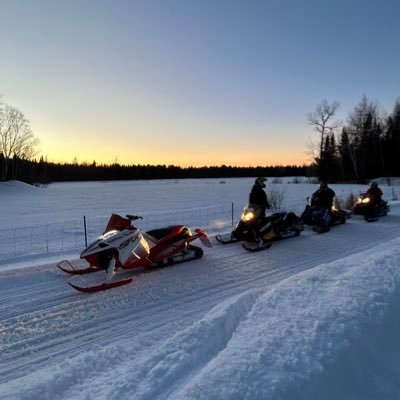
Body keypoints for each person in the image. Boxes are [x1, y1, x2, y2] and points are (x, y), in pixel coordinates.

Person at [248, 177, 271, 245]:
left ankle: (262, 236)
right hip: (257, 209)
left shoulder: (257, 189)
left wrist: (266, 205)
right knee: (256, 222)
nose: (264, 184)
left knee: (260, 222)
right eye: (263, 182)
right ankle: (258, 236)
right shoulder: (256, 189)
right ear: (259, 182)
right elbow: (253, 199)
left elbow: (263, 199)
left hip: (259, 208)